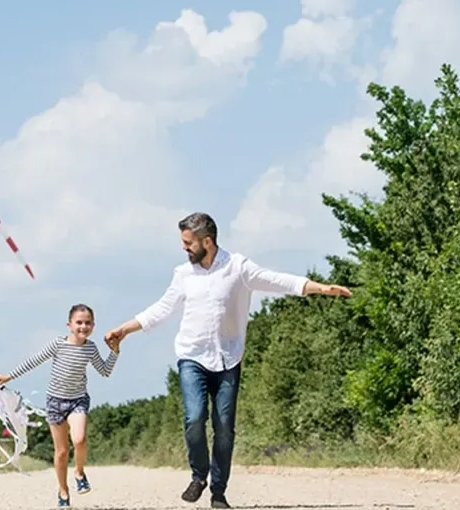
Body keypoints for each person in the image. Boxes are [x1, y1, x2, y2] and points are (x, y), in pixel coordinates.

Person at [104, 212, 351, 509]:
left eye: (188, 243)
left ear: (207, 241)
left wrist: (321, 288)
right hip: (192, 356)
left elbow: (277, 280)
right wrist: (125, 329)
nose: (184, 248)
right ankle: (199, 476)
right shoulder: (183, 274)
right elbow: (162, 308)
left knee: (224, 427)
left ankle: (218, 492)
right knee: (194, 417)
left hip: (228, 358)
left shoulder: (238, 267)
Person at [0, 303, 120, 508]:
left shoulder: (90, 348)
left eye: (88, 323)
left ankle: (79, 473)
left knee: (79, 439)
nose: (83, 326)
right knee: (61, 451)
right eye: (79, 322)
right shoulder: (58, 344)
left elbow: (105, 371)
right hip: (55, 402)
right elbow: (34, 361)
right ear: (69, 324)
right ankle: (63, 490)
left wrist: (115, 352)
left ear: (93, 326)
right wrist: (10, 376)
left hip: (78, 400)